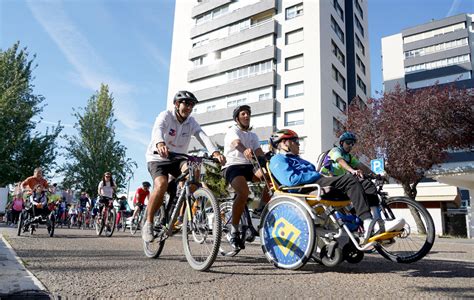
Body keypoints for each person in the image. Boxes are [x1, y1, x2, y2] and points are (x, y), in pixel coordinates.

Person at [268, 129, 405, 244]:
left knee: (365, 183)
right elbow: (291, 180)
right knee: (350, 179)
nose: (298, 144)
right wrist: (317, 176)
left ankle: (377, 222)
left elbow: (359, 166)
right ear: (284, 143)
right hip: (308, 188)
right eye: (296, 141)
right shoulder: (277, 159)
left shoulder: (300, 160)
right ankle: (368, 222)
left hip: (319, 182)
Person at [143, 90, 226, 242]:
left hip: (178, 158)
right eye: (186, 104)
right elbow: (158, 129)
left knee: (193, 174)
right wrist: (160, 143)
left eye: (191, 105)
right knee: (161, 185)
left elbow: (202, 135)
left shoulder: (191, 122)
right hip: (157, 157)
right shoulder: (166, 115)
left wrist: (215, 152)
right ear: (176, 104)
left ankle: (181, 214)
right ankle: (148, 223)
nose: (188, 107)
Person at [222, 105, 270, 250]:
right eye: (243, 114)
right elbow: (236, 143)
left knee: (270, 179)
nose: (246, 116)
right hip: (232, 166)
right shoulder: (233, 130)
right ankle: (234, 229)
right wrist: (245, 150)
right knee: (243, 193)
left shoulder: (252, 135)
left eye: (248, 114)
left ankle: (260, 209)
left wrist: (267, 160)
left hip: (248, 167)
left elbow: (258, 151)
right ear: (237, 118)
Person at [320, 131, 380, 210]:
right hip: (327, 180)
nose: (350, 145)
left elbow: (361, 166)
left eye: (352, 144)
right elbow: (340, 160)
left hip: (341, 181)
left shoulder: (349, 157)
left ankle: (375, 215)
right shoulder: (335, 150)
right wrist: (352, 170)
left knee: (366, 184)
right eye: (348, 143)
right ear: (341, 143)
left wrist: (375, 175)